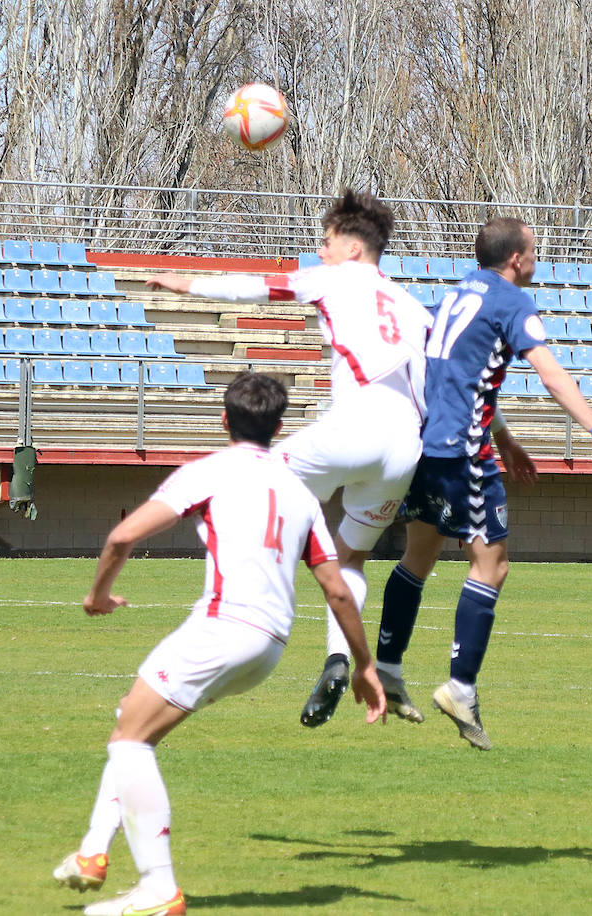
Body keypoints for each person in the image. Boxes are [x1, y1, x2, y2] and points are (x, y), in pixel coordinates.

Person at [54, 372, 386, 916]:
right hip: (269, 645)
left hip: (224, 626)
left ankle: (158, 890)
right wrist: (363, 665)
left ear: (224, 419)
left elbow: (122, 536)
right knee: (134, 723)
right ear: (279, 428)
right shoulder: (301, 494)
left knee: (128, 742)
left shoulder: (208, 472)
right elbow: (338, 589)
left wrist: (98, 596)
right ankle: (93, 851)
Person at [146, 189, 430, 729]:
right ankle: (338, 660)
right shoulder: (411, 305)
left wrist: (187, 284)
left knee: (247, 481)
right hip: (405, 448)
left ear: (350, 247)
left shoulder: (337, 276)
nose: (319, 253)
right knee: (350, 558)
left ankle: (236, 612)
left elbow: (262, 286)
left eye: (325, 243)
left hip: (356, 426)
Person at [372, 216, 592, 750]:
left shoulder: (458, 293)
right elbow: (551, 374)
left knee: (419, 554)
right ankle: (460, 686)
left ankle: (386, 665)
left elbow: (460, 377)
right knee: (492, 566)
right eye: (534, 251)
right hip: (467, 455)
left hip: (430, 444)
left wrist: (509, 440)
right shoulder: (511, 302)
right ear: (516, 259)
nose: (537, 259)